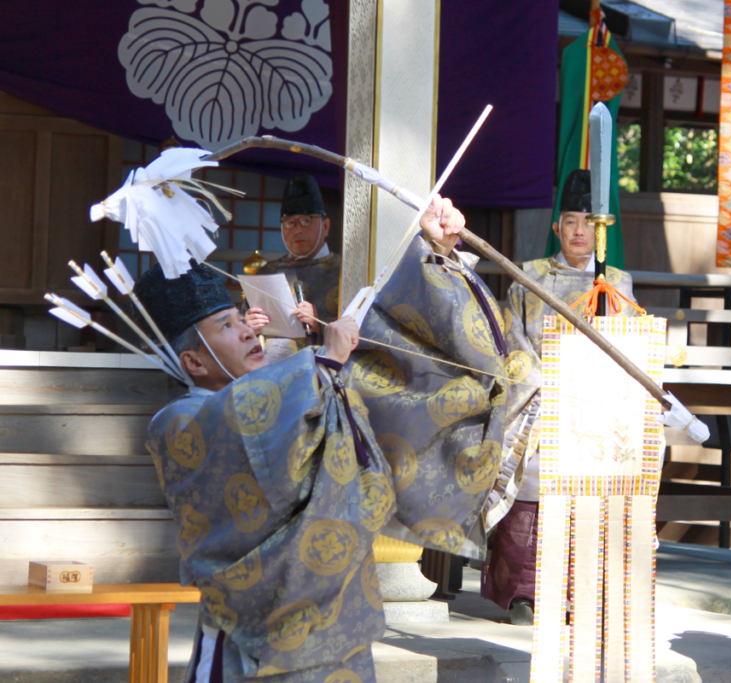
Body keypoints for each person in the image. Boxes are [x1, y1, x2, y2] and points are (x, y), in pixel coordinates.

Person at [140, 196, 510, 683]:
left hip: (337, 622)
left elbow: (403, 378)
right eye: (226, 326)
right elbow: (244, 425)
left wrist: (435, 255)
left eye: (240, 316)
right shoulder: (178, 423)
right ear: (193, 361)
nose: (248, 330)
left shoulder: (300, 389)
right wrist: (323, 367)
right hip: (253, 634)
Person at [481, 169, 642, 625]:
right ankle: (525, 594)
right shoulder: (526, 279)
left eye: (588, 222)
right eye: (571, 221)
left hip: (595, 407)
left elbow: (626, 347)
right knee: (531, 471)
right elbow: (512, 345)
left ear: (601, 228)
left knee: (597, 480)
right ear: (557, 228)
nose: (578, 231)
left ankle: (586, 592)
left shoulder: (617, 283)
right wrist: (546, 386)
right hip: (540, 402)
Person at [244, 173, 338, 361]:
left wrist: (320, 324)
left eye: (306, 220)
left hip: (320, 370)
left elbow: (360, 329)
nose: (297, 230)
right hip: (269, 369)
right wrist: (248, 326)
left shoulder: (345, 270)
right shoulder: (267, 271)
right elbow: (240, 328)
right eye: (290, 223)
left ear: (326, 226)